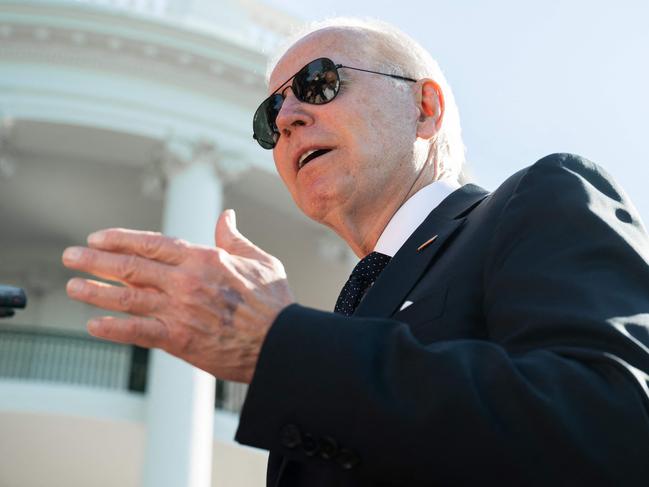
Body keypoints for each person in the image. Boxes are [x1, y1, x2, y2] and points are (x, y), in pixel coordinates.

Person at [62, 18, 649, 486]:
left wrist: (279, 345)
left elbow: (612, 426)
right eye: (270, 118)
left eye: (319, 82)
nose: (288, 118)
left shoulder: (539, 199)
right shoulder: (351, 314)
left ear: (425, 109)